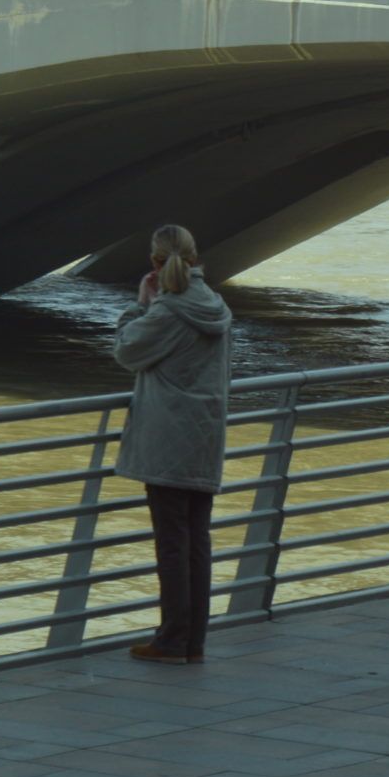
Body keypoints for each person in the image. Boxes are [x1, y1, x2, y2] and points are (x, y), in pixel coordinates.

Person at [112, 224, 234, 666]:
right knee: (196, 541)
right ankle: (192, 641)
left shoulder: (166, 311)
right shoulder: (217, 306)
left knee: (171, 544)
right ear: (195, 258)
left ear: (154, 261)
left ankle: (170, 640)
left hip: (167, 439)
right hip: (205, 435)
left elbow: (127, 352)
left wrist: (139, 305)